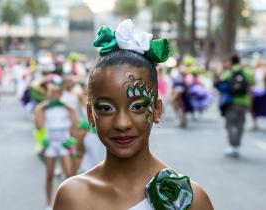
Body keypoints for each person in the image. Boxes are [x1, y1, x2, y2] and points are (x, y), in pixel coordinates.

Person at [53, 19, 213, 210]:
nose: (122, 123)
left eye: (138, 106)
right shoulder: (72, 197)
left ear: (157, 110)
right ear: (90, 114)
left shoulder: (188, 200)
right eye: (106, 108)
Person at [34, 77, 78, 210]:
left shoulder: (67, 107)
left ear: (61, 93)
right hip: (51, 143)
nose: (54, 94)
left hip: (64, 142)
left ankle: (70, 203)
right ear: (47, 93)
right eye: (52, 92)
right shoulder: (43, 108)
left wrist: (70, 110)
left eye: (57, 92)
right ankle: (48, 204)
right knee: (49, 175)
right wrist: (40, 110)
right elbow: (39, 127)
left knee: (70, 175)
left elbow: (75, 125)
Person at [216, 55, 254, 158]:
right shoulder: (246, 72)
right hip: (243, 102)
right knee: (240, 125)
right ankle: (237, 146)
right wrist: (250, 102)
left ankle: (232, 146)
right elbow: (251, 86)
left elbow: (219, 83)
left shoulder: (228, 72)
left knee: (230, 124)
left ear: (231, 61)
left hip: (231, 102)